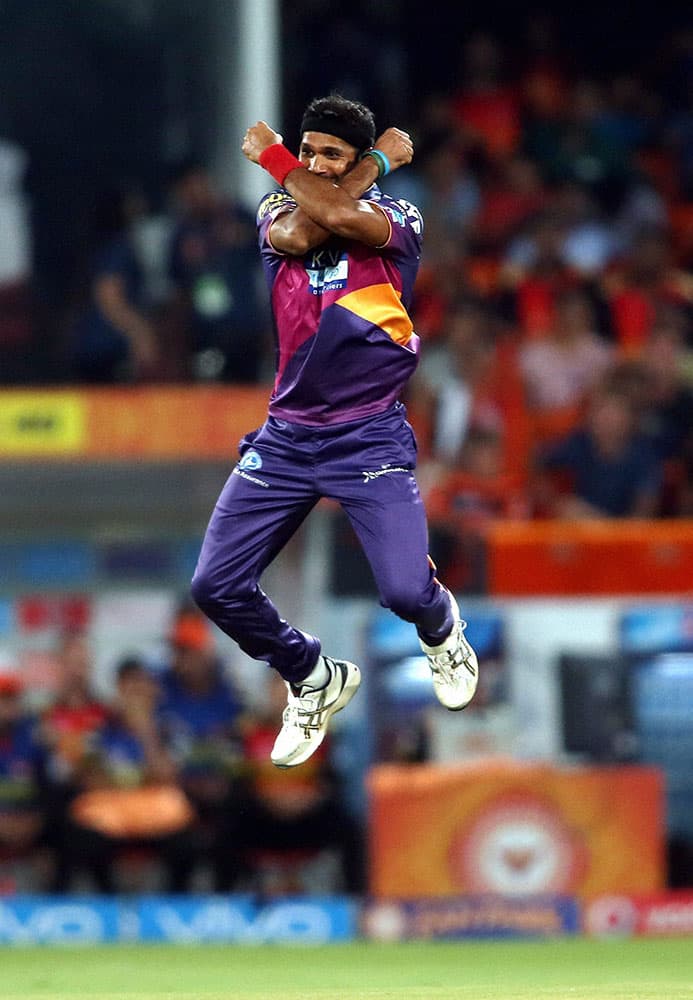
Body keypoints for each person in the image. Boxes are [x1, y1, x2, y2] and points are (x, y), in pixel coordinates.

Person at [191, 94, 479, 770]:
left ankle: (443, 633)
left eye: (331, 154)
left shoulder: (397, 216)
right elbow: (304, 233)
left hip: (368, 437)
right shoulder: (276, 214)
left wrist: (273, 156)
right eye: (306, 150)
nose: (313, 163)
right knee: (215, 587)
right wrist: (376, 159)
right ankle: (312, 675)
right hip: (286, 438)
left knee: (406, 593)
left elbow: (343, 216)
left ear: (356, 161)